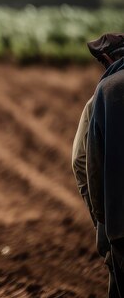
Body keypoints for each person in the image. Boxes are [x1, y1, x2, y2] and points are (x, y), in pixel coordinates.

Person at [72, 33, 124, 298]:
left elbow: (82, 161)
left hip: (120, 221)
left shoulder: (105, 93)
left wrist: (101, 219)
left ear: (106, 60)